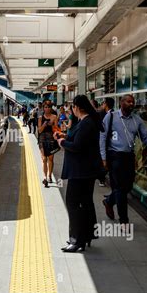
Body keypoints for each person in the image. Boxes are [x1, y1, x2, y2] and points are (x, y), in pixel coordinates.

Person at [55, 95, 103, 252]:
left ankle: (76, 240)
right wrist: (65, 136)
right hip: (85, 171)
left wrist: (62, 142)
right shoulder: (86, 122)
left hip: (80, 171)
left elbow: (77, 146)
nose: (71, 110)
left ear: (77, 107)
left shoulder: (86, 123)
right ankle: (86, 236)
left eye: (72, 107)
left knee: (73, 203)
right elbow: (78, 140)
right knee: (86, 203)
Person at [99, 95, 147, 225]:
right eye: (128, 101)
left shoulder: (136, 119)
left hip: (129, 156)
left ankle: (109, 201)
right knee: (119, 188)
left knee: (127, 187)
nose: (131, 104)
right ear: (121, 103)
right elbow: (102, 136)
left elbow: (145, 136)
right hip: (115, 156)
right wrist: (103, 158)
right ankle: (124, 220)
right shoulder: (111, 117)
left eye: (133, 102)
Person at [38, 100, 59, 188]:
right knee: (44, 159)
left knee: (50, 159)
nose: (47, 109)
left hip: (51, 139)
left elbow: (56, 129)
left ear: (51, 108)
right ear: (43, 108)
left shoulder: (54, 117)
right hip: (42, 139)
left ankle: (50, 175)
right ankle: (45, 177)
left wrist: (52, 125)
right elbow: (39, 130)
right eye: (45, 107)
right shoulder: (40, 118)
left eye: (49, 107)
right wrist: (44, 124)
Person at [97, 98, 115, 187]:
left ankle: (102, 178)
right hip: (112, 145)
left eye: (103, 103)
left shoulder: (106, 115)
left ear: (106, 104)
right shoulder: (114, 114)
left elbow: (102, 133)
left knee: (105, 163)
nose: (102, 105)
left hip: (108, 144)